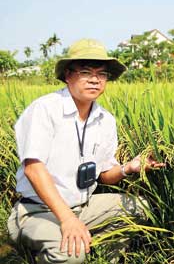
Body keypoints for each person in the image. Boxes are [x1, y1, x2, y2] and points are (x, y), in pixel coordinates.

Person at [7, 38, 165, 264]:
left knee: (141, 208)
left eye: (102, 74)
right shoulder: (45, 109)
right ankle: (47, 252)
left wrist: (128, 168)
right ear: (68, 75)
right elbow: (33, 169)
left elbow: (103, 176)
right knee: (71, 256)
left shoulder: (105, 120)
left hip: (84, 207)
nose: (94, 79)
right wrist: (67, 219)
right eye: (85, 71)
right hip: (37, 211)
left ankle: (102, 257)